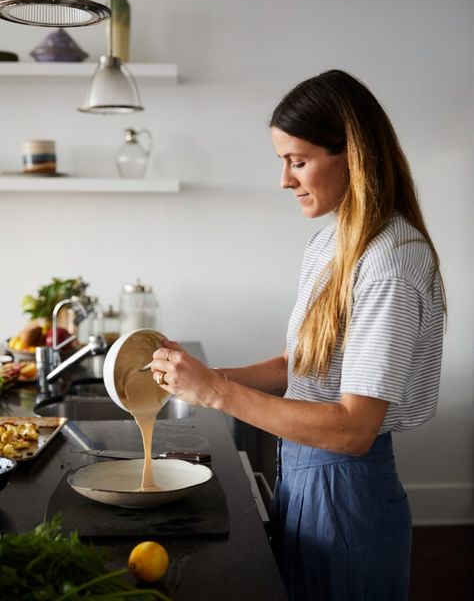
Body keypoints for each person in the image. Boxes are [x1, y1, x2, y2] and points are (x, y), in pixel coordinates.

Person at [151, 69, 445, 601]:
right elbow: (300, 365)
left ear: (353, 154)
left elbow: (354, 430)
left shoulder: (391, 264)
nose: (285, 180)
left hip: (348, 493)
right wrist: (200, 378)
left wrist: (217, 394)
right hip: (303, 476)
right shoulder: (328, 245)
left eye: (298, 161)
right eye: (283, 161)